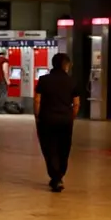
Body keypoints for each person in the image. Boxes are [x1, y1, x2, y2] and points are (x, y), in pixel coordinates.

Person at [34, 53, 80, 193]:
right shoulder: (72, 81)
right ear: (66, 65)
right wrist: (71, 117)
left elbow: (37, 100)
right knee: (64, 148)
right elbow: (76, 104)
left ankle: (55, 177)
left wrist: (37, 116)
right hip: (65, 120)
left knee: (50, 148)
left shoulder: (43, 80)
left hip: (47, 119)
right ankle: (59, 175)